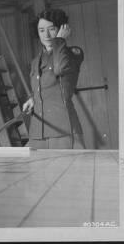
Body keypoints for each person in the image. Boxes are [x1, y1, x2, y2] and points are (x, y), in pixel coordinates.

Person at [22, 8, 85, 149]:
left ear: (62, 28)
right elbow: (43, 86)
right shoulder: (35, 61)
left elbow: (60, 68)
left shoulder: (73, 53)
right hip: (38, 132)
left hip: (64, 130)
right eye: (41, 30)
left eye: (52, 29)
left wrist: (60, 40)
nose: (47, 35)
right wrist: (33, 98)